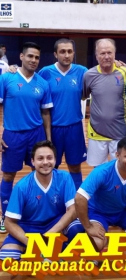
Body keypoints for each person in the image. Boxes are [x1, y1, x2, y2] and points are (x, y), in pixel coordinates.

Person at [0, 42, 53, 234]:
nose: (33, 60)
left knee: (40, 174)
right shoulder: (7, 78)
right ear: (21, 57)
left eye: (37, 57)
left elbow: (46, 113)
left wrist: (48, 139)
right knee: (8, 175)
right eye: (30, 56)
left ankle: (35, 213)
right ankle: (5, 216)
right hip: (12, 135)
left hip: (36, 135)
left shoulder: (43, 83)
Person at [0, 140, 81, 261]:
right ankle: (43, 249)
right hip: (28, 228)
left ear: (55, 160)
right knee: (7, 258)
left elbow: (73, 209)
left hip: (55, 224)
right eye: (40, 158)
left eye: (49, 158)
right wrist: (32, 243)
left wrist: (51, 232)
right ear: (32, 161)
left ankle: (55, 246)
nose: (45, 162)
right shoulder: (22, 186)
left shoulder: (64, 177)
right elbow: (9, 222)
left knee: (77, 227)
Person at [38, 38, 87, 190]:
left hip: (74, 128)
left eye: (69, 51)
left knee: (75, 167)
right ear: (55, 54)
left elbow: (102, 75)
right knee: (52, 167)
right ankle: (54, 198)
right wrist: (13, 69)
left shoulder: (82, 72)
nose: (66, 55)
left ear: (73, 53)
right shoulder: (45, 72)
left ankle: (76, 201)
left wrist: (121, 67)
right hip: (53, 128)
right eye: (62, 52)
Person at [83, 38, 126, 167]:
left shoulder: (125, 72)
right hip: (96, 132)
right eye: (102, 53)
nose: (106, 56)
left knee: (120, 168)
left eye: (109, 53)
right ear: (96, 56)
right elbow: (84, 95)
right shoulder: (89, 75)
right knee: (98, 171)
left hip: (119, 132)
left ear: (115, 54)